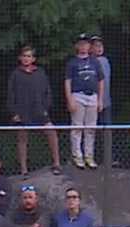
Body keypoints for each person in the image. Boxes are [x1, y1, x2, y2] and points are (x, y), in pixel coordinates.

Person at [8, 45, 62, 177]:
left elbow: (47, 92)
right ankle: (24, 170)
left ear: (33, 59)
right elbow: (11, 94)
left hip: (39, 111)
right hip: (22, 112)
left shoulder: (40, 72)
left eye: (29, 56)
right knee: (22, 139)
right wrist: (14, 113)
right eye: (24, 56)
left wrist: (45, 108)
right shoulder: (15, 74)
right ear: (20, 58)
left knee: (51, 132)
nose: (26, 59)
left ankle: (57, 163)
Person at [63, 34, 105, 170]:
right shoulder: (72, 62)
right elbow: (68, 81)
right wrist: (70, 99)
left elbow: (101, 80)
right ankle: (77, 155)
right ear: (77, 46)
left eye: (86, 44)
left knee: (91, 128)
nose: (83, 47)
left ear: (89, 46)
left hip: (92, 96)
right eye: (81, 44)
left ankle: (89, 155)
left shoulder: (95, 62)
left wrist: (100, 100)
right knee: (77, 127)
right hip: (78, 96)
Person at [90, 36, 115, 167]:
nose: (99, 48)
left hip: (106, 102)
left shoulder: (105, 61)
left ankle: (108, 158)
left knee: (107, 130)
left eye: (100, 45)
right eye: (95, 46)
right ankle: (91, 157)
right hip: (92, 102)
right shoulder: (88, 62)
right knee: (91, 130)